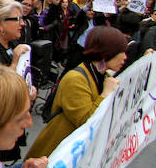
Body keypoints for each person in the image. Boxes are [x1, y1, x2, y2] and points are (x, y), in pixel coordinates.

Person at [26, 27, 126, 158]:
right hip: (57, 155)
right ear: (107, 51)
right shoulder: (76, 78)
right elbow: (86, 121)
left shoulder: (104, 76)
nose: (125, 57)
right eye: (121, 52)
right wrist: (105, 94)